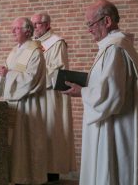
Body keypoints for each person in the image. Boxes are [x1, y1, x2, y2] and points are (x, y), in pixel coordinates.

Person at [63, 0, 138, 185]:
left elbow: (110, 95)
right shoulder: (112, 46)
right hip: (112, 123)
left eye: (91, 24)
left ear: (106, 21)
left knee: (109, 172)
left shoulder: (115, 48)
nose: (88, 29)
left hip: (113, 126)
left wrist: (82, 92)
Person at [0, 17, 47, 184]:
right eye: (13, 28)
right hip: (13, 105)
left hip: (28, 105)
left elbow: (31, 79)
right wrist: (2, 74)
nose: (12, 32)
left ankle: (29, 179)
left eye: (16, 28)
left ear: (27, 31)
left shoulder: (35, 52)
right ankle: (16, 178)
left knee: (27, 144)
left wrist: (8, 74)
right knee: (15, 144)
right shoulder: (14, 51)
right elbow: (6, 73)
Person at [31, 13, 76, 181]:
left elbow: (59, 70)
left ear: (47, 25)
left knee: (51, 132)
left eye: (38, 24)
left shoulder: (56, 43)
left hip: (50, 95)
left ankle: (51, 174)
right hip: (35, 95)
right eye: (33, 24)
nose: (34, 27)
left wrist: (35, 75)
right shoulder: (33, 44)